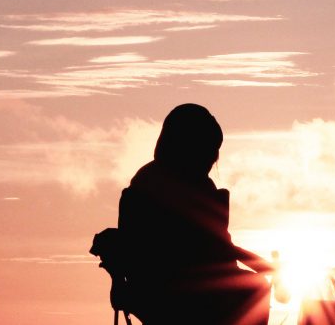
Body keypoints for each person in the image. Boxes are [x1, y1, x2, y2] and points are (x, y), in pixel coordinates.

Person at [115, 103, 273, 324]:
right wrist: (263, 265)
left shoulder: (148, 180)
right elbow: (209, 247)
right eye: (209, 150)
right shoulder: (167, 187)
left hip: (153, 289)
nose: (213, 159)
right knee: (257, 288)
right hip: (177, 289)